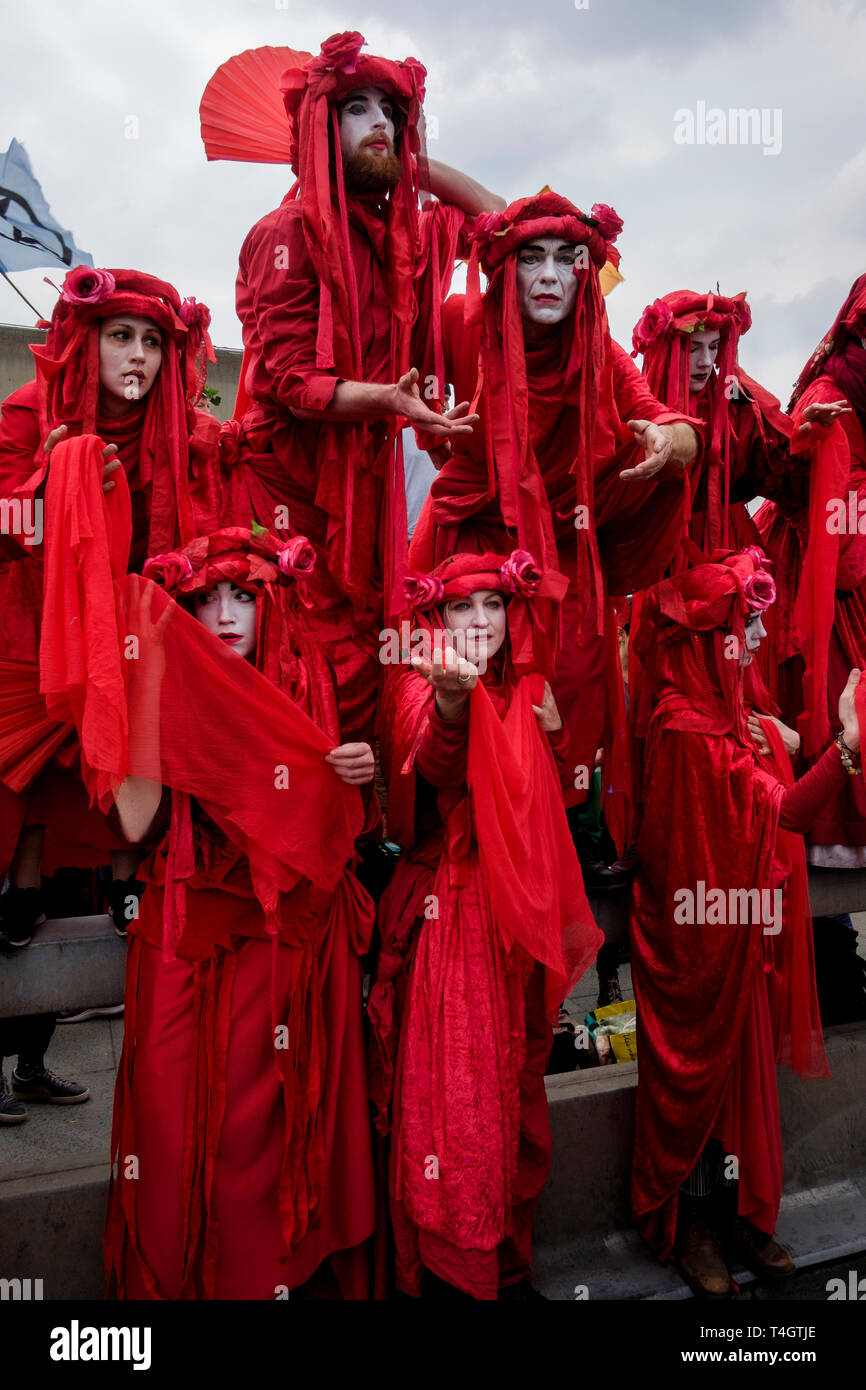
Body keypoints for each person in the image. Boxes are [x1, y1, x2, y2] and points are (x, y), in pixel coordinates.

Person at [86, 521, 378, 1299]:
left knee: (270, 1124)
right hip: (182, 929)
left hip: (282, 935)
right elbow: (138, 823)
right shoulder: (157, 679)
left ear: (268, 606)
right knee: (168, 1116)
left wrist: (354, 771)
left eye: (242, 597)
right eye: (206, 597)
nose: (223, 614)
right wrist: (148, 684)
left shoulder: (306, 679)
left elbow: (334, 826)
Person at [204, 31, 502, 747]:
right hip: (285, 485)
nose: (379, 124)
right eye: (355, 108)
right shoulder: (281, 234)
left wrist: (418, 167)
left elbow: (500, 224)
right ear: (318, 127)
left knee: (372, 648)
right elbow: (291, 385)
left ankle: (357, 834)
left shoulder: (411, 237)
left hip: (370, 480)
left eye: (391, 113)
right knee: (299, 655)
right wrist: (391, 401)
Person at [408, 192, 701, 847]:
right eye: (530, 258)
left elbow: (676, 428)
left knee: (569, 698)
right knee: (459, 691)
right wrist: (421, 168)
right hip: (468, 549)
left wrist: (662, 441)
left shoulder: (602, 350)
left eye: (568, 259)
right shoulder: (460, 321)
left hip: (563, 562)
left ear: (586, 275)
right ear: (504, 271)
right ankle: (457, 851)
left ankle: (562, 837)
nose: (547, 274)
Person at [369, 550, 602, 1300]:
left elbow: (555, 808)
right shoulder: (416, 682)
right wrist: (449, 706)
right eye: (462, 608)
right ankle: (454, 1270)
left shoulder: (526, 689)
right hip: (454, 921)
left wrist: (560, 741)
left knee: (513, 1087)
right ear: (434, 618)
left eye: (493, 606)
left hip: (517, 920)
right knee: (457, 1098)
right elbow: (431, 766)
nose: (479, 622)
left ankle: (503, 1256)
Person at [629, 543, 860, 1295]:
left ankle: (734, 1221)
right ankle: (696, 1228)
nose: (760, 638)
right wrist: (848, 747)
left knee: (737, 1084)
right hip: (700, 952)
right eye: (746, 626)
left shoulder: (722, 715)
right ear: (708, 642)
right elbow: (784, 812)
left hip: (734, 935)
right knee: (707, 1083)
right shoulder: (689, 730)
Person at [0, 265, 220, 945]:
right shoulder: (26, 410)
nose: (139, 356)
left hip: (136, 617)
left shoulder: (188, 427)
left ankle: (129, 881)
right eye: (121, 336)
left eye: (154, 342)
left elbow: (207, 522)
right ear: (86, 342)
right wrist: (49, 484)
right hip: (37, 617)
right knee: (41, 754)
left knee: (135, 739)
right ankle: (23, 886)